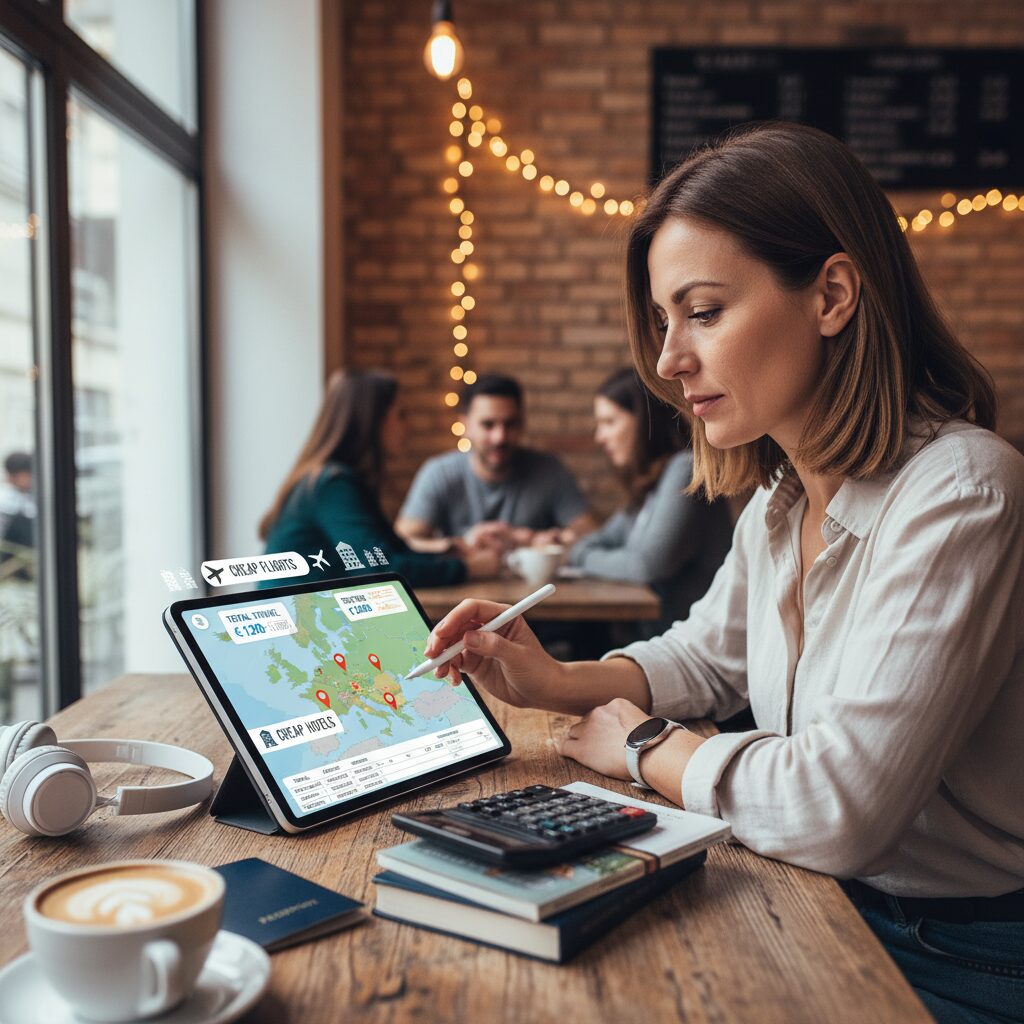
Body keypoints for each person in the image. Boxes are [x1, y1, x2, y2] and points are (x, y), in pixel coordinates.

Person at [422, 123, 1024, 1024]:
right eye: (665, 322)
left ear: (831, 295)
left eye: (703, 313)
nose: (668, 361)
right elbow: (710, 658)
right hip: (824, 899)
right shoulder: (783, 498)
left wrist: (646, 745)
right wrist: (555, 681)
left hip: (960, 952)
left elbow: (839, 807)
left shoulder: (964, 490)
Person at [258, 370, 499, 588]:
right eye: (401, 415)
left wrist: (453, 553)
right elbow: (381, 569)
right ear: (373, 421)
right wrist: (468, 568)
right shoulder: (332, 485)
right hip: (294, 629)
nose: (409, 426)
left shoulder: (339, 480)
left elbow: (391, 552)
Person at [566, 368, 732, 639]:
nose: (600, 437)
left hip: (694, 646)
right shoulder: (652, 486)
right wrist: (577, 545)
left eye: (609, 422)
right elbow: (604, 537)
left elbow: (645, 566)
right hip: (661, 637)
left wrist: (578, 555)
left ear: (643, 421)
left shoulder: (686, 470)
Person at [396, 374, 597, 555]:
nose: (500, 437)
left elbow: (592, 536)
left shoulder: (549, 470)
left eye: (510, 424)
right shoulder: (439, 473)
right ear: (465, 426)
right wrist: (460, 545)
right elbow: (400, 543)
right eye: (488, 425)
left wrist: (531, 538)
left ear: (522, 424)